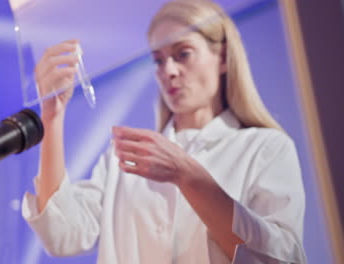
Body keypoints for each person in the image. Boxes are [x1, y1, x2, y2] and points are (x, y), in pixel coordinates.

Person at [21, 0, 307, 263]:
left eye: (183, 54)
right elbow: (62, 234)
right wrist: (52, 117)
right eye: (158, 59)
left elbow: (279, 258)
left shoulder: (265, 148)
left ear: (222, 57)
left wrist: (189, 176)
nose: (168, 70)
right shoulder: (124, 159)